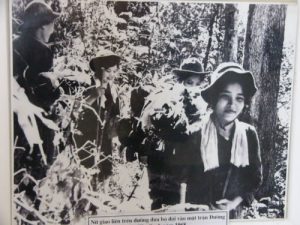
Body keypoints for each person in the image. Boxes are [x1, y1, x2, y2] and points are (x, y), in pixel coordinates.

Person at [187, 63, 263, 219]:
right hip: (199, 215)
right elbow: (184, 180)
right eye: (225, 96)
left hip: (235, 214)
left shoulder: (248, 134)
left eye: (239, 98)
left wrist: (233, 203)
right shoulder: (196, 134)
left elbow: (254, 179)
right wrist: (204, 208)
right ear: (213, 98)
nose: (232, 105)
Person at [142, 58, 209, 210]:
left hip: (191, 166)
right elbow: (153, 131)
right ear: (181, 82)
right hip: (166, 166)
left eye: (197, 84)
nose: (194, 88)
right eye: (189, 83)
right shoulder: (167, 103)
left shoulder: (203, 106)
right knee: (165, 205)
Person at [13, 1, 62, 183]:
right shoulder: (42, 51)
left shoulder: (12, 45)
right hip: (35, 126)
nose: (53, 30)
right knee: (38, 176)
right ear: (42, 25)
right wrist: (58, 91)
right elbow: (43, 95)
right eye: (52, 24)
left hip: (13, 122)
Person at [73, 50, 123, 184]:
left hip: (104, 139)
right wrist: (94, 95)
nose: (111, 75)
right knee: (86, 171)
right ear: (99, 70)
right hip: (86, 137)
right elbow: (76, 109)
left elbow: (115, 114)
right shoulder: (87, 84)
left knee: (104, 172)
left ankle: (100, 197)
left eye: (114, 71)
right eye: (108, 71)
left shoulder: (112, 90)